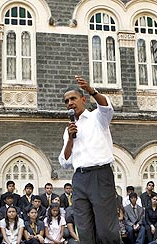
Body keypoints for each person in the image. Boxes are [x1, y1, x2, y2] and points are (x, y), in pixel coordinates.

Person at [58, 76, 120, 244]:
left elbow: (106, 106)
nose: (69, 103)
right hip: (79, 178)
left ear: (83, 99)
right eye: (66, 101)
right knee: (84, 227)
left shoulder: (97, 118)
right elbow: (65, 161)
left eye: (73, 98)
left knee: (105, 227)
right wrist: (70, 139)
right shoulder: (69, 130)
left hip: (100, 175)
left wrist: (91, 90)